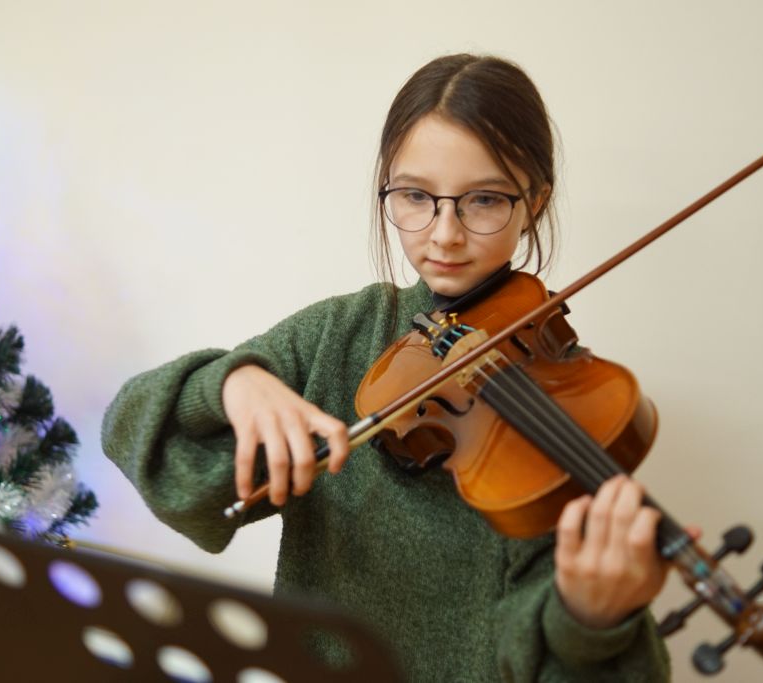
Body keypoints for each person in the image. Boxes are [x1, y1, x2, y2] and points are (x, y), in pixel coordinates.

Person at [102, 53, 672, 681]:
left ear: (534, 201)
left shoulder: (570, 408)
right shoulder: (341, 336)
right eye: (416, 196)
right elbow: (143, 436)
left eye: (484, 199)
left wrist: (588, 620)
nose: (445, 233)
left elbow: (547, 655)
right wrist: (230, 383)